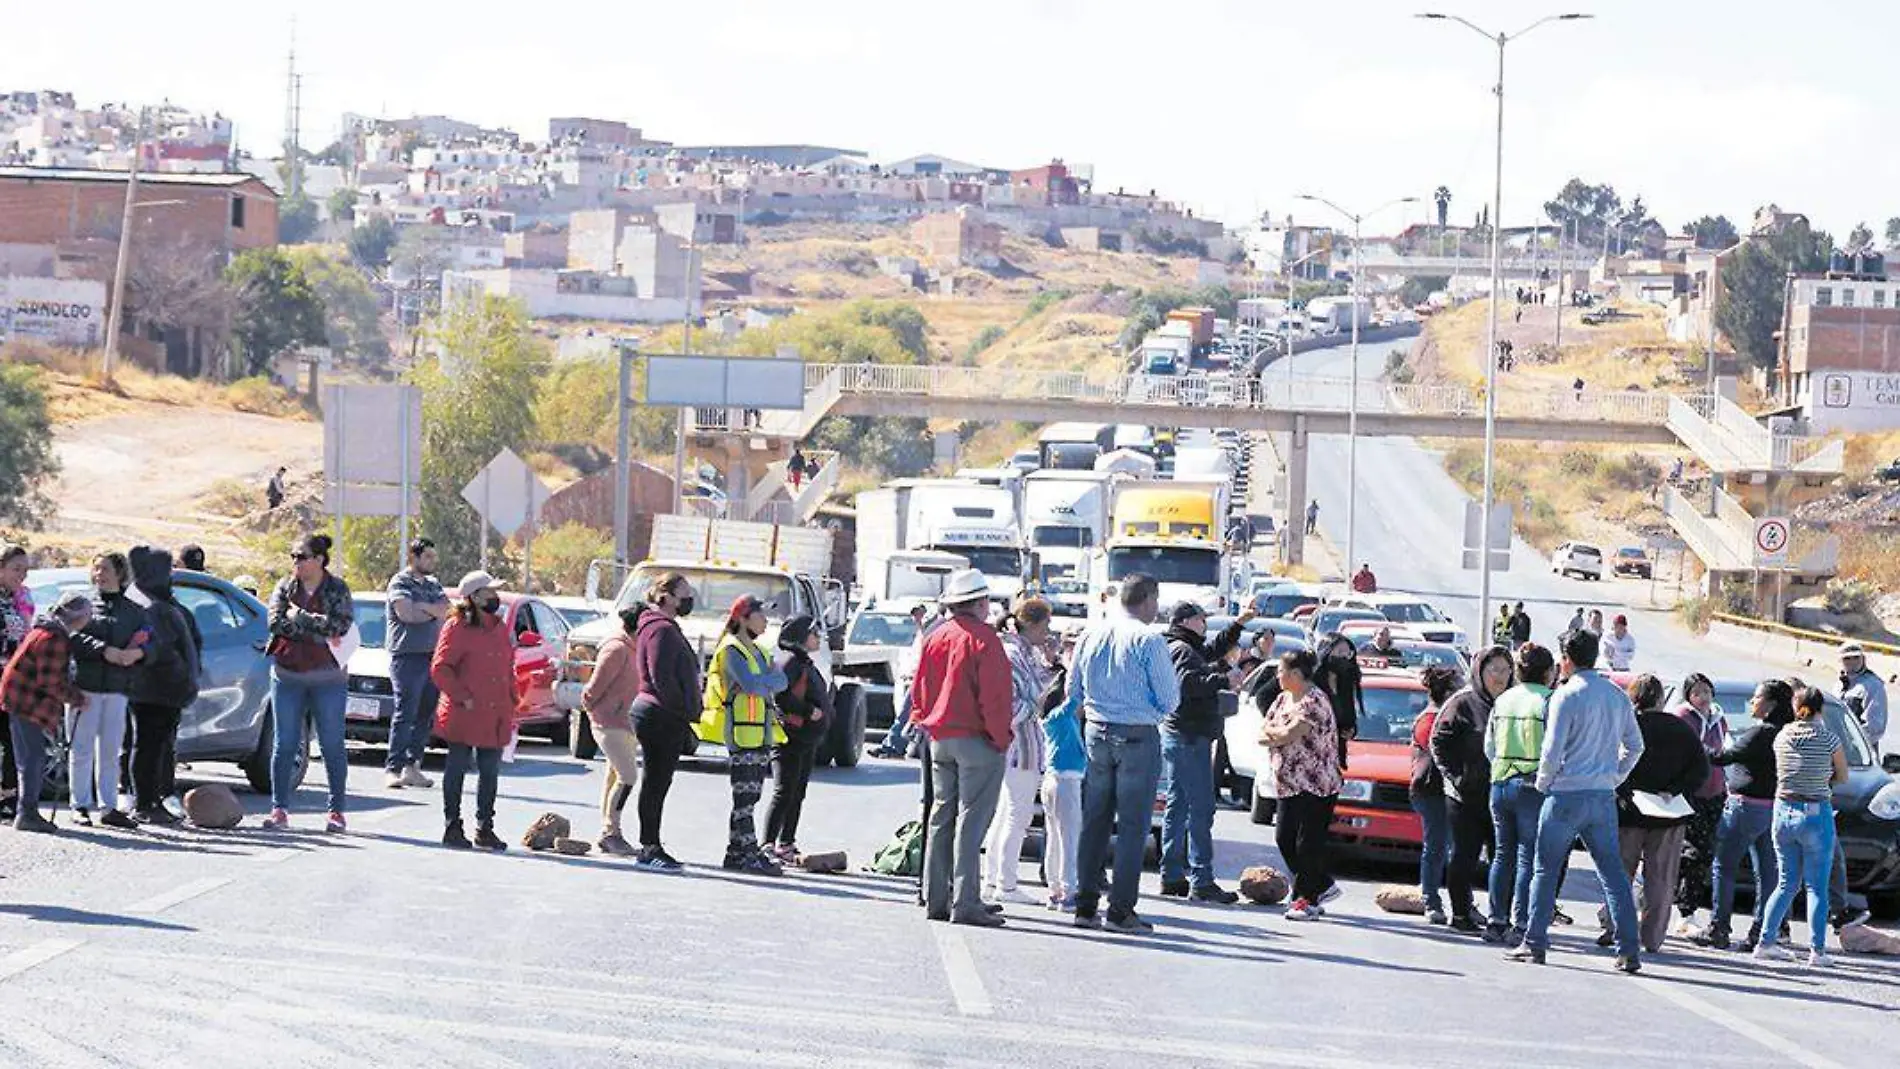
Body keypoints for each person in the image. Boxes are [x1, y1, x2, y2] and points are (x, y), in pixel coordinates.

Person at [1508, 629, 1646, 973]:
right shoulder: (1617, 695)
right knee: (1613, 875)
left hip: (1565, 793)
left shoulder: (1565, 696)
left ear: (1566, 658)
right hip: (1601, 796)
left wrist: (1543, 782)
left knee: (1545, 868)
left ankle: (1535, 942)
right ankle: (1629, 949)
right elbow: (1635, 746)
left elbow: (1552, 749)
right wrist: (1615, 776)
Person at [1062, 575, 1178, 934]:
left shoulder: (1091, 634)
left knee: (1095, 821)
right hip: (1137, 735)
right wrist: (1150, 713)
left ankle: (1084, 904)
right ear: (1148, 599)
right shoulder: (1149, 639)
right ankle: (1120, 910)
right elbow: (1170, 699)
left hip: (1097, 730)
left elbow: (1072, 689)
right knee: (1132, 826)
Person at [912, 569, 1014, 927]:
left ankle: (937, 897)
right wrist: (1000, 739)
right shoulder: (985, 640)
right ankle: (966, 900)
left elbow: (919, 689)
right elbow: (996, 697)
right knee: (972, 822)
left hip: (940, 738)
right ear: (981, 603)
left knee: (942, 816)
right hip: (977, 739)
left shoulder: (936, 637)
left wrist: (926, 722)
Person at [1611, 674, 1712, 955]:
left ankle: (1613, 927)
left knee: (1619, 874)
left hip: (1629, 813)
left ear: (1633, 698)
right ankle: (1652, 938)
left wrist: (1625, 791)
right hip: (1669, 813)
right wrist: (1674, 790)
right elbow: (1701, 770)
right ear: (1660, 699)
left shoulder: (1627, 727)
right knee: (1661, 879)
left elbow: (1614, 764)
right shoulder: (1681, 730)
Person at [261, 534, 355, 833]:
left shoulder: (337, 589)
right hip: (287, 675)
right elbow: (276, 623)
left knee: (331, 744)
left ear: (318, 560)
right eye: (293, 556)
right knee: (285, 743)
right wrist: (315, 627)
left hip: (328, 678)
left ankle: (336, 811)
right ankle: (279, 810)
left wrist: (300, 617)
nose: (295, 562)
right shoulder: (284, 587)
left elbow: (340, 625)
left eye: (301, 556)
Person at [1158, 602, 1248, 905]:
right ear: (1186, 621)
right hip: (1189, 735)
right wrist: (1224, 680)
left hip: (1179, 733)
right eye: (1201, 619)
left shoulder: (1180, 646)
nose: (1205, 624)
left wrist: (1238, 624)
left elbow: (1210, 652)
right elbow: (1188, 685)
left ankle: (1171, 875)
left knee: (1178, 806)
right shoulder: (1182, 650)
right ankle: (1201, 879)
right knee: (1201, 808)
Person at [1753, 685, 1849, 966]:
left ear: (1796, 708)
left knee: (1785, 883)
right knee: (1817, 888)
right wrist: (1823, 777)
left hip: (1783, 811)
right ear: (1820, 708)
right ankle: (1817, 951)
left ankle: (1766, 941)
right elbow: (1842, 776)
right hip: (1815, 812)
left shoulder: (1783, 735)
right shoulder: (1829, 739)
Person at [1697, 679, 1792, 951]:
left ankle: (1719, 928)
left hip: (1745, 808)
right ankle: (1761, 933)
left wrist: (1697, 743)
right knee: (1768, 873)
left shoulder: (1761, 734)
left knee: (1724, 867)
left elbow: (1720, 758)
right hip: (1774, 809)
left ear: (1771, 704)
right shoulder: (1787, 734)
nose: (1753, 702)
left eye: (1757, 697)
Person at [703, 594, 791, 875]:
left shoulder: (762, 651)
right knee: (744, 799)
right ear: (743, 618)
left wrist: (760, 684)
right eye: (761, 615)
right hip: (740, 733)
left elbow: (781, 681)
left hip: (761, 733)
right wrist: (761, 684)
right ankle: (747, 853)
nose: (766, 621)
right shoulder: (731, 649)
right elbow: (752, 684)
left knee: (751, 797)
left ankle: (737, 853)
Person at [429, 572, 515, 851]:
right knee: (457, 766)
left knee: (490, 770)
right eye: (489, 592)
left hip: (495, 710)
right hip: (465, 710)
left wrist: (512, 699)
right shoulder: (456, 626)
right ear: (474, 597)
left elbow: (506, 668)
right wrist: (462, 697)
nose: (495, 597)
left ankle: (485, 828)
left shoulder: (499, 627)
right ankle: (452, 825)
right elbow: (441, 668)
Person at [1432, 645, 1514, 934]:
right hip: (1464, 796)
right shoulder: (1462, 703)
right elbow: (1438, 742)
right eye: (1494, 670)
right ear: (1480, 671)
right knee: (1464, 855)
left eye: (1505, 670)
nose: (1500, 677)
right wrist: (1457, 777)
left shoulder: (1514, 703)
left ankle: (1499, 915)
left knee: (1502, 856)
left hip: (1503, 793)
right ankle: (1461, 912)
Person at [981, 598, 1057, 904]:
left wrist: (1050, 664)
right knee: (1017, 815)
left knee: (1006, 814)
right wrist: (1036, 706)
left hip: (1020, 745)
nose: (1048, 632)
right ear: (1034, 624)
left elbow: (1036, 685)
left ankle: (993, 879)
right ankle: (1006, 883)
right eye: (1046, 625)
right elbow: (1011, 705)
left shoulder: (1022, 652)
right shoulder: (1013, 654)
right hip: (1018, 746)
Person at [66, 552, 147, 830]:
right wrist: (104, 651)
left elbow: (151, 641)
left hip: (117, 689)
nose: (99, 573)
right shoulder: (80, 604)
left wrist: (137, 653)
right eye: (96, 568)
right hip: (83, 687)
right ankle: (79, 805)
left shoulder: (135, 611)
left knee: (111, 751)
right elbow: (68, 634)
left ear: (121, 574)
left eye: (106, 569)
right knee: (81, 749)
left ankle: (109, 806)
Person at [1483, 643, 1557, 945]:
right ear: (1548, 672)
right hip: (1532, 785)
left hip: (1500, 782)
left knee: (1502, 854)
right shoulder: (1549, 701)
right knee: (1528, 856)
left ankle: (1495, 919)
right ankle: (1521, 922)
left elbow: (1489, 746)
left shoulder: (1504, 700)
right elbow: (1554, 748)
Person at [1261, 648, 1342, 921]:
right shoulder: (1283, 699)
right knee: (1284, 838)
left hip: (1316, 783)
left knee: (1307, 844)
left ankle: (1304, 900)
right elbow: (1265, 731)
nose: (1277, 676)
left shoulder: (1314, 701)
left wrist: (1277, 735)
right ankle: (1321, 885)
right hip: (1287, 782)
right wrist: (1276, 735)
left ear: (1296, 674)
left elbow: (1291, 733)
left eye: (1281, 671)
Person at [2, 592, 92, 832]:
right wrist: (77, 699)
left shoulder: (47, 630)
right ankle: (27, 813)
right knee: (33, 758)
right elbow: (50, 681)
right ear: (78, 617)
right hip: (25, 700)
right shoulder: (54, 638)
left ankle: (27, 811)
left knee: (30, 757)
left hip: (19, 697)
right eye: (88, 614)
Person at [124, 546, 201, 826]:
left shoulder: (160, 601)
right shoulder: (148, 605)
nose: (171, 576)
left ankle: (154, 800)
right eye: (166, 570)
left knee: (158, 748)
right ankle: (144, 803)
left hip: (166, 692)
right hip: (153, 691)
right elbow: (161, 649)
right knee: (147, 748)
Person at [629, 572, 700, 873]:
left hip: (659, 712)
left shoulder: (660, 626)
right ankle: (649, 847)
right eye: (684, 593)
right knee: (656, 782)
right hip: (659, 714)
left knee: (657, 782)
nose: (688, 599)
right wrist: (683, 711)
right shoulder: (660, 629)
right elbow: (662, 677)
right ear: (666, 596)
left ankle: (650, 845)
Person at [764, 615, 832, 864]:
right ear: (801, 637)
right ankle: (768, 844)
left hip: (806, 739)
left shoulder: (804, 662)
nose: (818, 637)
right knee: (784, 791)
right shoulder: (790, 662)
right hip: (789, 738)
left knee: (797, 792)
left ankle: (786, 843)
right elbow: (780, 696)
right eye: (813, 633)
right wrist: (807, 711)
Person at [384, 538, 449, 790]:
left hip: (432, 656)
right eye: (428, 557)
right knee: (405, 712)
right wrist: (429, 610)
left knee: (425, 713)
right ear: (414, 557)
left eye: (434, 556)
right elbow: (406, 614)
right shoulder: (400, 582)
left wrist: (424, 606)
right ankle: (394, 767)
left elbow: (447, 610)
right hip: (407, 656)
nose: (433, 561)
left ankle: (413, 766)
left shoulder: (433, 584)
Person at [581, 605, 644, 857]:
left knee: (614, 777)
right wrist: (597, 710)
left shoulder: (636, 647)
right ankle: (611, 833)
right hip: (609, 723)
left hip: (627, 723)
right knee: (628, 777)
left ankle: (607, 832)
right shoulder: (617, 648)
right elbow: (594, 688)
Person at [1671, 672, 1729, 939]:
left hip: (1715, 794)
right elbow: (1689, 751)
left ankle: (1684, 907)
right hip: (1690, 793)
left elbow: (1724, 750)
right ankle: (1685, 912)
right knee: (1695, 851)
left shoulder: (1719, 719)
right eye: (1697, 692)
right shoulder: (1683, 717)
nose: (1703, 697)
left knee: (1704, 853)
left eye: (1707, 691)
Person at [1409, 665, 1466, 925]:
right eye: (1459, 686)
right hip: (1431, 789)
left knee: (1458, 849)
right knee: (1436, 846)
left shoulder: (1450, 714)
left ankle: (1462, 904)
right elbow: (1438, 748)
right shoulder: (1431, 717)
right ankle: (1431, 899)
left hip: (1451, 789)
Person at [1041, 635, 1085, 911]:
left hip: (1053, 780)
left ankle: (1055, 888)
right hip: (1066, 781)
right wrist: (1075, 663)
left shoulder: (1050, 719)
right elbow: (1076, 695)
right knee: (1069, 838)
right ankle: (1068, 890)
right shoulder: (1060, 716)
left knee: (1055, 838)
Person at [0, 544, 34, 820]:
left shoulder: (21, 600)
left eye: (25, 570)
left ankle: (9, 796)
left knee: (12, 740)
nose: (21, 575)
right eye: (15, 569)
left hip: (13, 681)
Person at [874, 603, 933, 759]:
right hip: (914, 678)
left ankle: (895, 745)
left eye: (919, 614)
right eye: (914, 614)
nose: (916, 618)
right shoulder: (920, 633)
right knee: (906, 714)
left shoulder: (931, 632)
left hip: (924, 679)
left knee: (907, 714)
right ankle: (895, 745)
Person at [1313, 633, 1363, 770]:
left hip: (1333, 760)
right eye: (1340, 652)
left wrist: (1350, 730)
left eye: (1348, 654)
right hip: (1308, 757)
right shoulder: (1308, 679)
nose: (1344, 658)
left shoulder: (1345, 683)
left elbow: (1347, 719)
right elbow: (1264, 696)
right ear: (1326, 652)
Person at [1838, 642, 1887, 754]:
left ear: (1863, 659)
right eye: (1847, 658)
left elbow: (1874, 727)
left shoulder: (1873, 685)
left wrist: (1853, 745)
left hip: (1862, 753)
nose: (1852, 662)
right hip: (1837, 750)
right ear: (1840, 661)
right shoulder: (1838, 685)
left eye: (1856, 657)